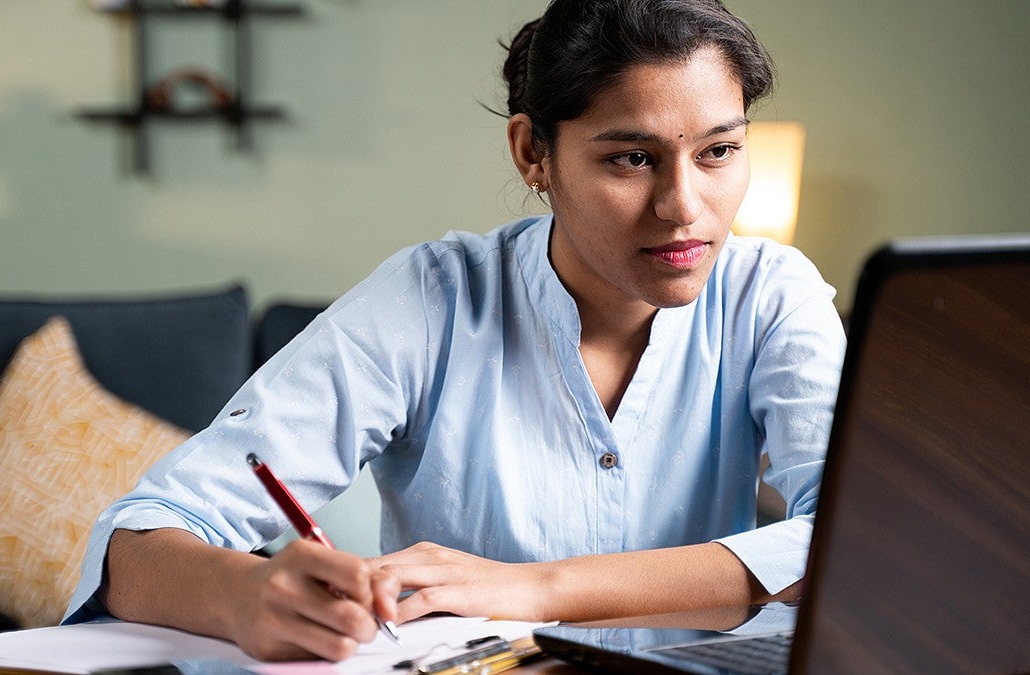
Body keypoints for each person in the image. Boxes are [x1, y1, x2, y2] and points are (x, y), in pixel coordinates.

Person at [65, 0, 846, 663]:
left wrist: (538, 588)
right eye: (633, 158)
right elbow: (136, 542)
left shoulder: (772, 296)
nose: (684, 205)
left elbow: (849, 548)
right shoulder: (432, 300)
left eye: (719, 151)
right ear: (533, 151)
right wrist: (250, 595)